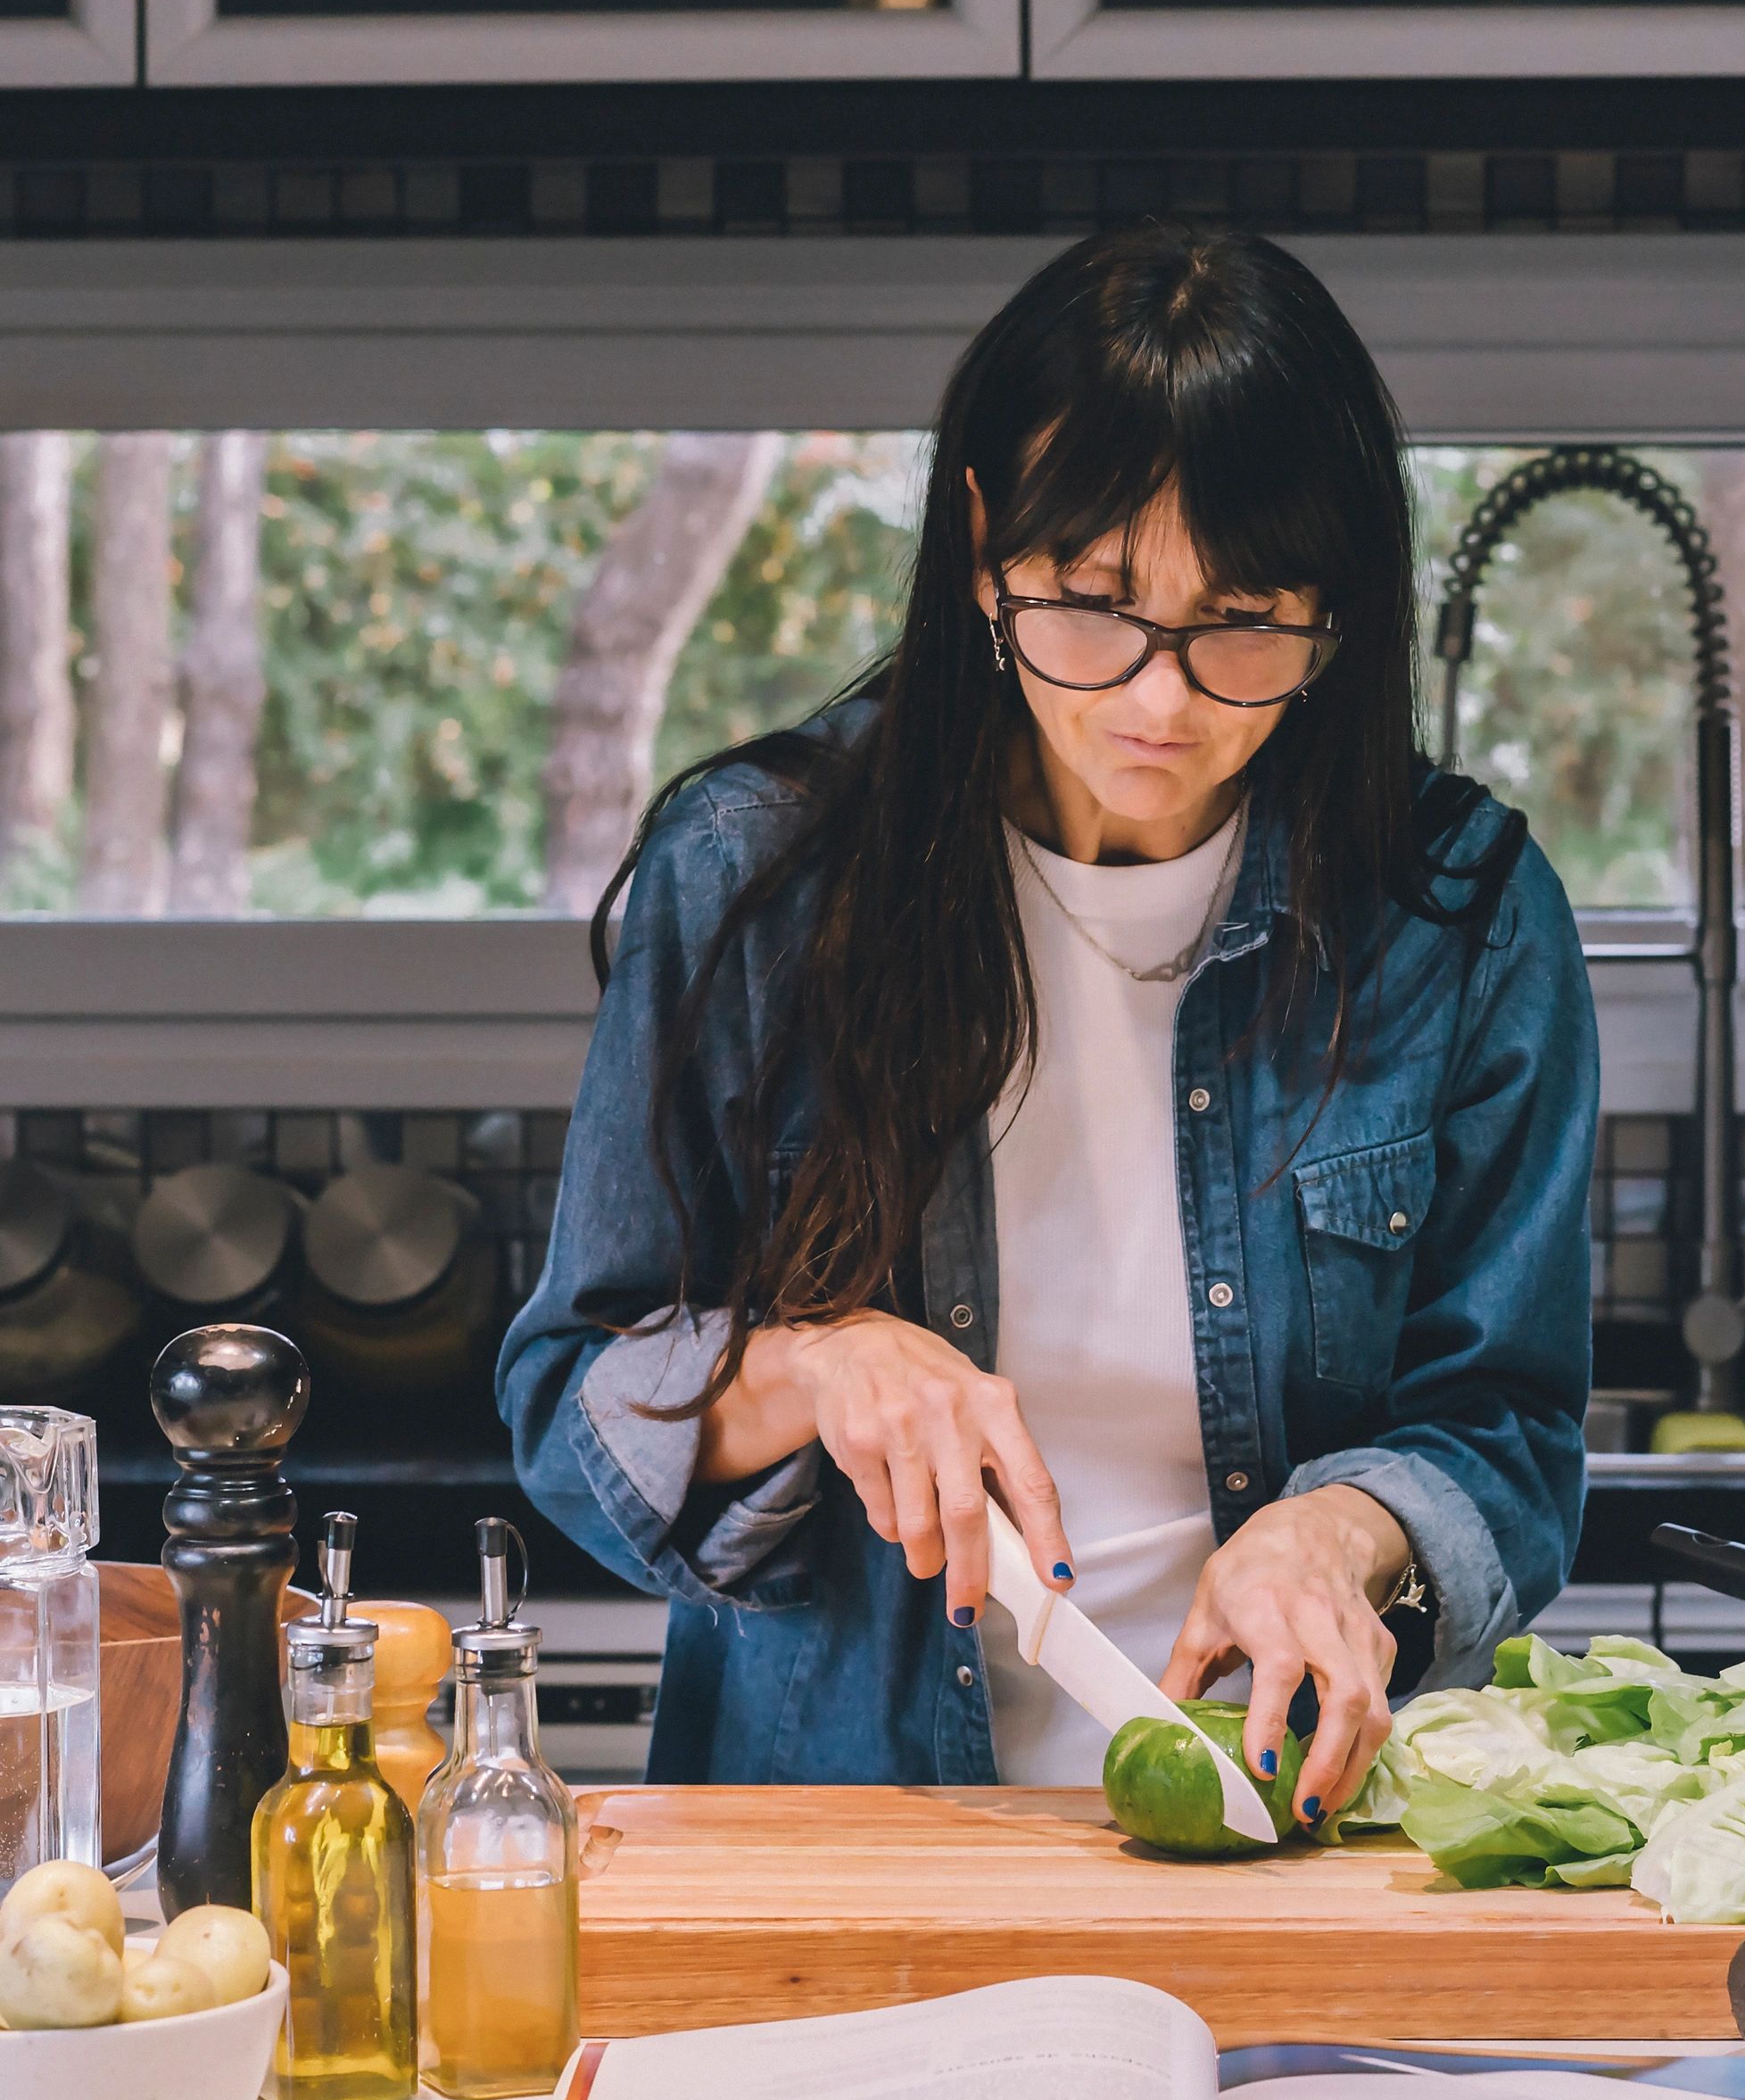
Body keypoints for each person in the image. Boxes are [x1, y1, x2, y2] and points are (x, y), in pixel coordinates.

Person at [500, 221, 1597, 1829]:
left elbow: (1510, 1430)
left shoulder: (1463, 913)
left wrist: (1346, 1529)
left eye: (1241, 624)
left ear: (1337, 608)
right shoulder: (758, 878)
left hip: (1314, 1836)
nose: (1158, 703)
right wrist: (816, 1366)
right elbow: (568, 1405)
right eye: (1089, 608)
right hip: (854, 1833)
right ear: (979, 547)